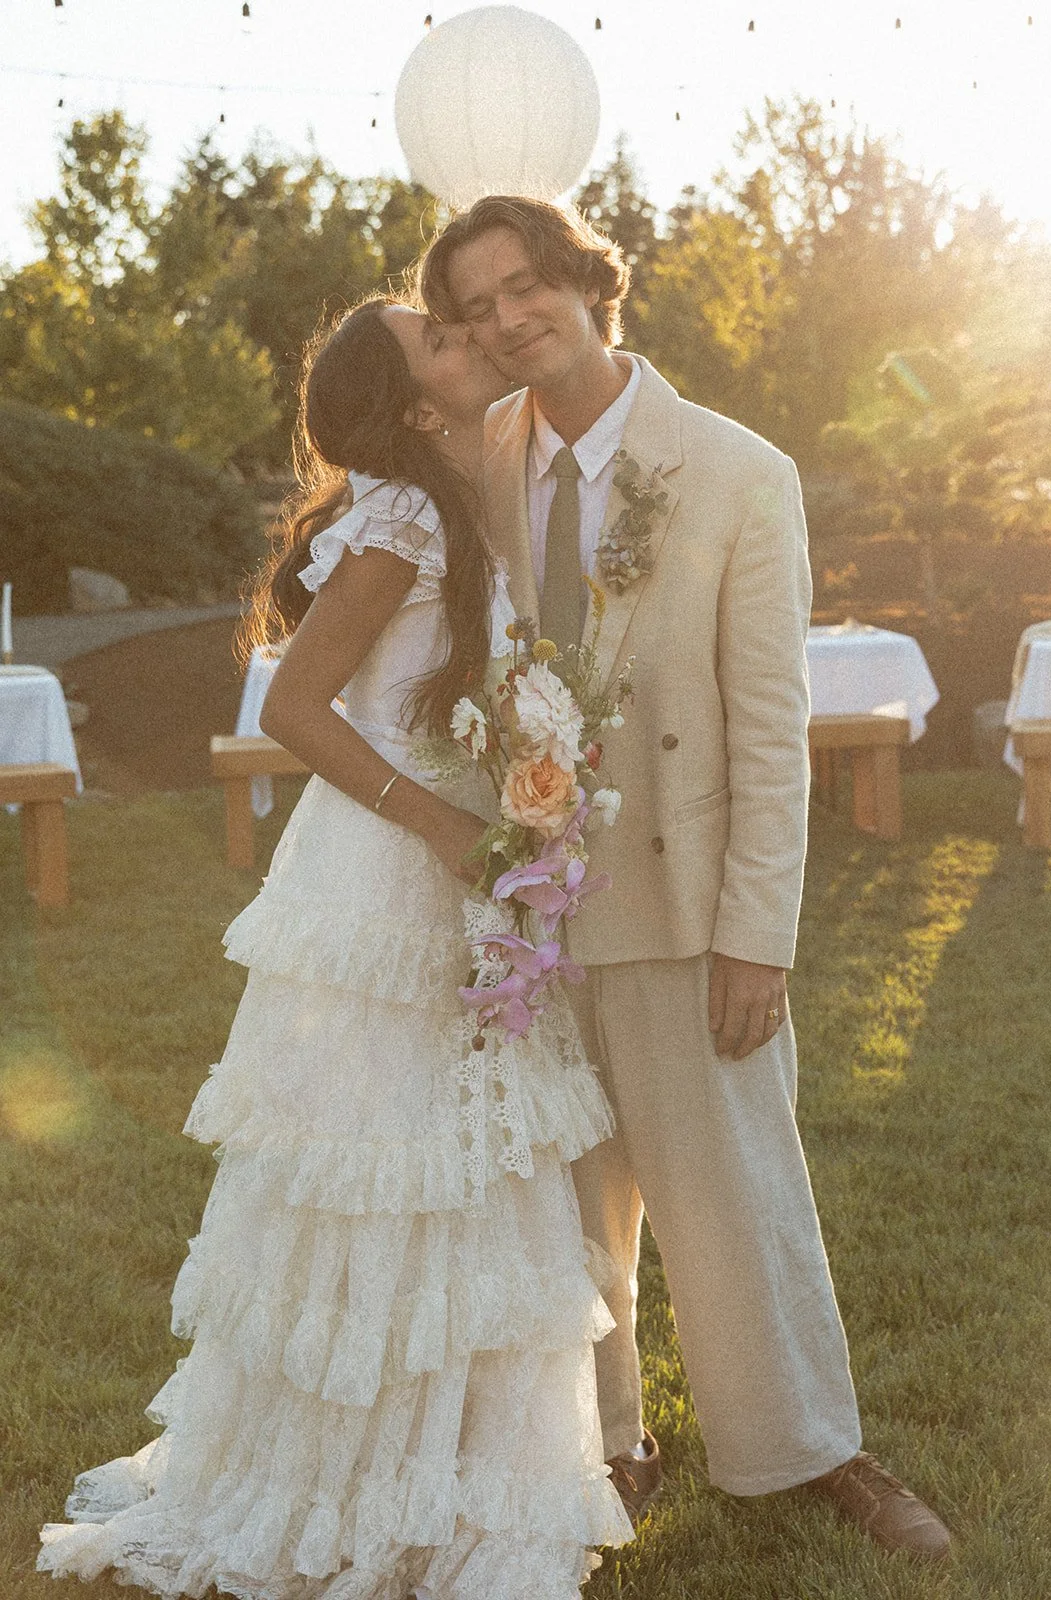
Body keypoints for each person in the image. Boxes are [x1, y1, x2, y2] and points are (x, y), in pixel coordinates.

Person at [36, 295, 633, 1600]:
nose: (470, 339)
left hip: (469, 850)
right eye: (442, 340)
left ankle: (466, 1464)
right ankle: (341, 1476)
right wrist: (437, 824)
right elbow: (299, 708)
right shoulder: (406, 522)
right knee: (381, 1155)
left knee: (470, 1163)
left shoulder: (481, 498)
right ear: (416, 405)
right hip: (386, 863)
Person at [419, 197, 952, 1560]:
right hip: (533, 909)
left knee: (735, 1202)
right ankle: (605, 1447)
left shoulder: (732, 469)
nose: (506, 320)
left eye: (525, 285)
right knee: (561, 1209)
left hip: (686, 896)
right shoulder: (474, 461)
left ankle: (811, 1447)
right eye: (475, 306)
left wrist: (756, 934)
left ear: (587, 282)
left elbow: (770, 725)